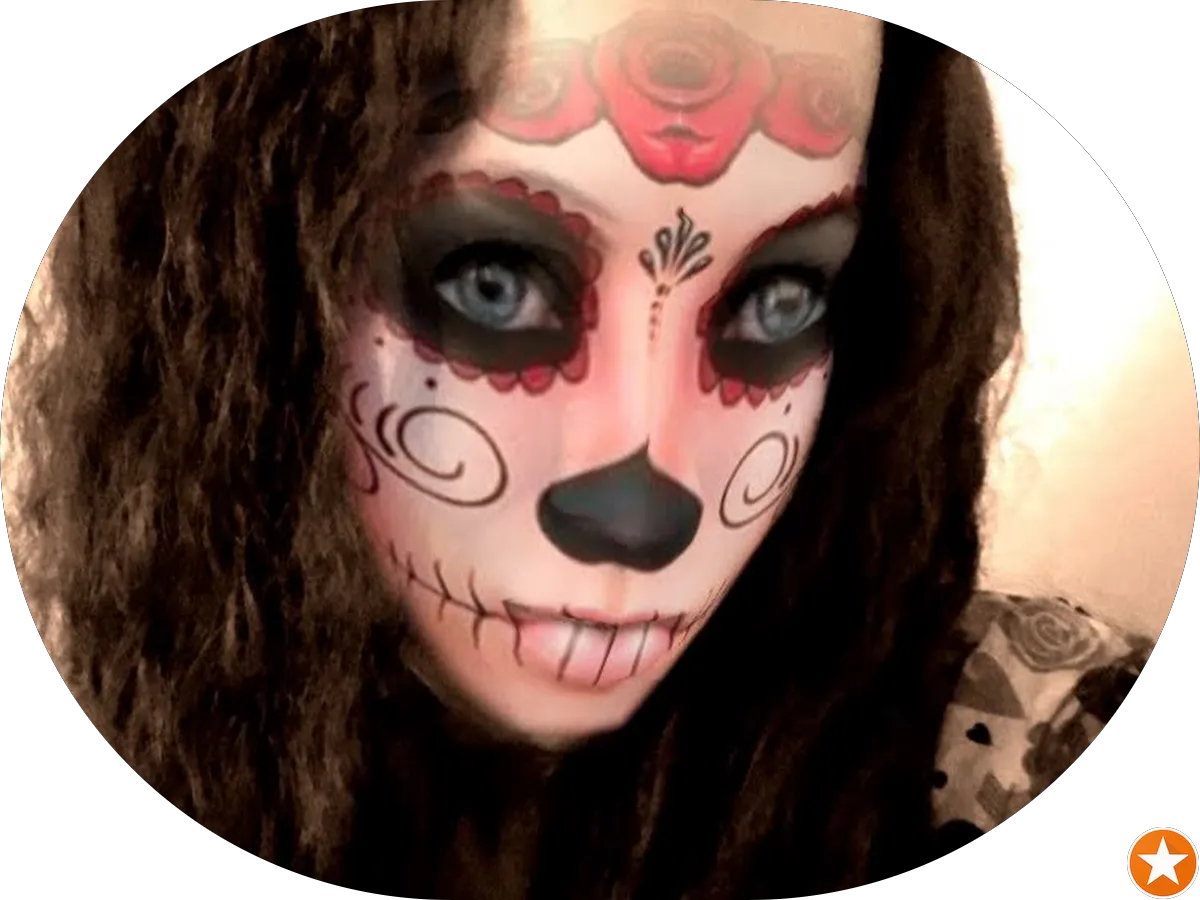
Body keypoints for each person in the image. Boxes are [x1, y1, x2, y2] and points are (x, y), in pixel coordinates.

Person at [2, 1, 1160, 896]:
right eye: (494, 282)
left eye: (780, 299)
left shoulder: (1016, 742)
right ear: (249, 302)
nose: (648, 501)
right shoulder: (136, 717)